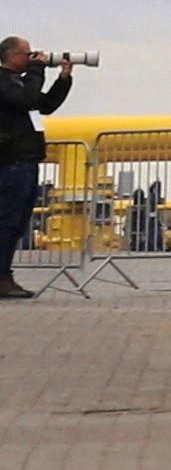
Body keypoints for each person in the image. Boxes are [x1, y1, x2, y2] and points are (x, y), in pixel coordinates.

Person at [0, 39, 73, 298]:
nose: (32, 57)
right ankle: (1, 278)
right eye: (27, 53)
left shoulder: (19, 83)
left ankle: (4, 275)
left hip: (25, 161)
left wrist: (63, 79)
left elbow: (45, 104)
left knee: (17, 221)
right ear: (11, 55)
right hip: (11, 163)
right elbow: (25, 99)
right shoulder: (4, 82)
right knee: (7, 221)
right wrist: (37, 70)